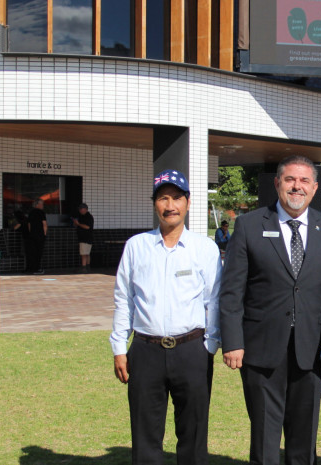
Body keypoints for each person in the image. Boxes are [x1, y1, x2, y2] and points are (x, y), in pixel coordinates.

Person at [219, 155, 321, 465]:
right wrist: (232, 341)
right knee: (265, 437)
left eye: (304, 181)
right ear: (277, 183)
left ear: (314, 188)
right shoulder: (249, 226)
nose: (296, 186)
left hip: (311, 350)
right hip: (261, 349)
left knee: (304, 437)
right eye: (290, 179)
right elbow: (232, 290)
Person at [110, 169, 221, 465]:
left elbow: (214, 300)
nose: (170, 205)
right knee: (145, 433)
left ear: (188, 202)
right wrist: (119, 347)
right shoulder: (136, 246)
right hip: (145, 351)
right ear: (154, 204)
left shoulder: (205, 248)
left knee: (194, 432)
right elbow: (124, 299)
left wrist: (210, 345)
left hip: (192, 350)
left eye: (176, 198)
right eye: (163, 198)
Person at [26, 199, 48, 274]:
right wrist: (45, 234)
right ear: (38, 204)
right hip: (40, 235)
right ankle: (37, 269)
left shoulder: (31, 212)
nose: (43, 206)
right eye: (42, 204)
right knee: (39, 252)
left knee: (32, 252)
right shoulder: (41, 212)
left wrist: (31, 233)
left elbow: (29, 224)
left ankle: (31, 268)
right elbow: (44, 224)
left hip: (32, 235)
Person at [73, 203, 95, 272]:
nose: (80, 210)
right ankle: (87, 267)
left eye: (81, 209)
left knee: (84, 254)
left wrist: (78, 224)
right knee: (87, 253)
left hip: (85, 238)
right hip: (87, 238)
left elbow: (87, 227)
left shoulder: (88, 217)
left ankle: (84, 267)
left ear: (85, 209)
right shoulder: (83, 216)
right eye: (80, 209)